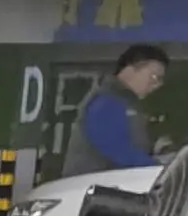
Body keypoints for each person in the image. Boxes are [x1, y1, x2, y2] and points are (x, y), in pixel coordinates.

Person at [65, 45, 169, 176]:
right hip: (92, 185)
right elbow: (118, 150)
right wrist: (159, 168)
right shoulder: (105, 101)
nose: (157, 85)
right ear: (129, 70)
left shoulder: (130, 104)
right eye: (154, 77)